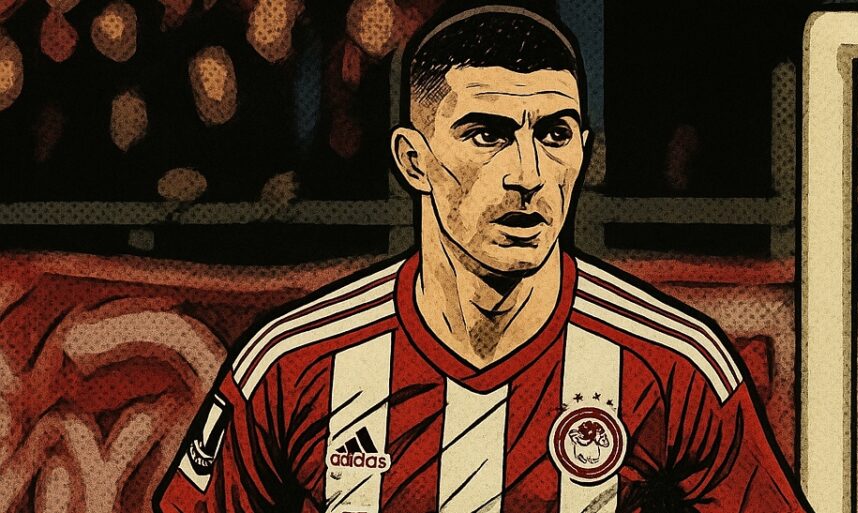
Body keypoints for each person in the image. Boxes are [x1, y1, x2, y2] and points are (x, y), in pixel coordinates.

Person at [154, 5, 814, 513]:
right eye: (487, 134)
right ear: (413, 159)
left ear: (583, 153)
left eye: (554, 134)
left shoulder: (676, 363)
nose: (527, 173)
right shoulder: (289, 362)